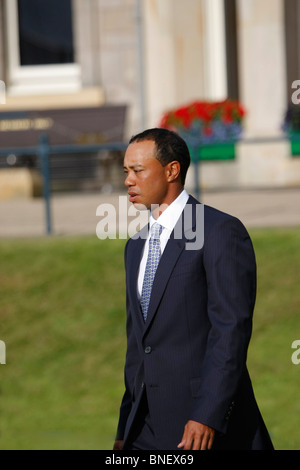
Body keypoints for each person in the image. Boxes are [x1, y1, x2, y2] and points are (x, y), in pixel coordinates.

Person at [113, 128, 274, 450]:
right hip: (143, 431)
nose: (128, 180)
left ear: (172, 170)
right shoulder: (135, 246)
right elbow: (139, 347)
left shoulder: (220, 231)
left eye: (138, 170)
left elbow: (230, 331)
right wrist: (124, 427)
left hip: (202, 428)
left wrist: (208, 415)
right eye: (126, 172)